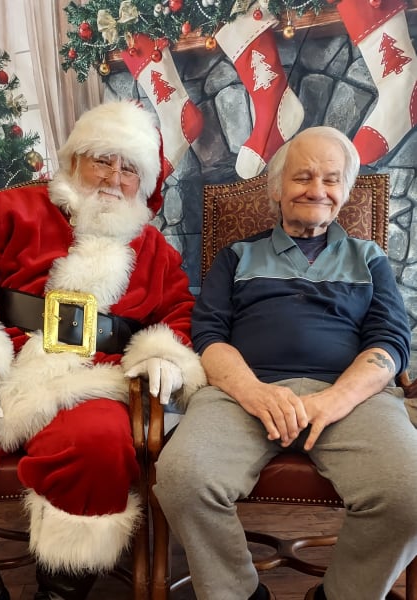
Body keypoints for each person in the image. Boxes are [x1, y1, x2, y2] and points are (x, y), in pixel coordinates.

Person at [0, 100, 205, 600]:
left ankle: (61, 593)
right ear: (74, 160)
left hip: (90, 378)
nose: (113, 178)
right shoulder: (9, 209)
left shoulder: (156, 251)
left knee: (98, 444)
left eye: (129, 168)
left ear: (143, 185)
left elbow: (178, 313)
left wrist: (164, 351)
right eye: (102, 159)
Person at [154, 126, 417, 600]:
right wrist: (254, 391)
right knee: (182, 479)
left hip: (350, 397)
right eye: (303, 177)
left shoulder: (370, 259)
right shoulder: (236, 256)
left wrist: (335, 399)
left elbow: (391, 341)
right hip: (242, 392)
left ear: (345, 191)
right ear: (276, 188)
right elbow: (208, 334)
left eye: (331, 179)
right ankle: (239, 594)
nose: (317, 190)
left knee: (412, 492)